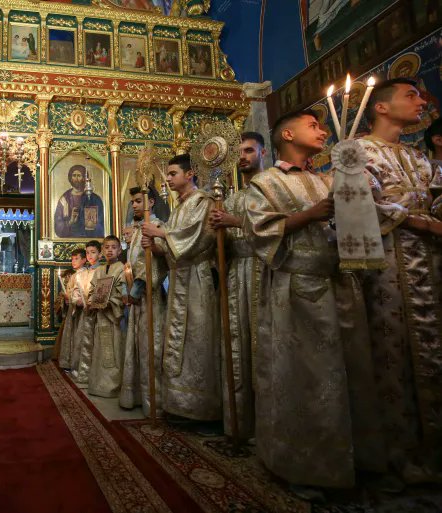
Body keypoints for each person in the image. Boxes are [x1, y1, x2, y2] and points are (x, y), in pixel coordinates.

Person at [245, 109, 360, 498]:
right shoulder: (266, 181)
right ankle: (300, 462)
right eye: (314, 125)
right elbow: (258, 230)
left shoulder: (327, 177)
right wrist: (308, 215)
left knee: (343, 375)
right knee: (302, 377)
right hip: (293, 290)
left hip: (338, 283)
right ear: (288, 134)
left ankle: (349, 459)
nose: (323, 130)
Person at [358, 78, 442, 483]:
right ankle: (400, 451)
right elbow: (361, 206)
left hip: (433, 260)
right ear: (381, 107)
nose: (421, 100)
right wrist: (421, 220)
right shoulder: (357, 151)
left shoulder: (420, 157)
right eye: (411, 95)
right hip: (389, 265)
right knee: (394, 352)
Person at [142, 154, 220, 430]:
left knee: (198, 340)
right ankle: (178, 405)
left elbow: (200, 238)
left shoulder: (204, 202)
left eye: (173, 173)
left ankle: (202, 408)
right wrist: (155, 244)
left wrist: (162, 234)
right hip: (178, 280)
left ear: (190, 174)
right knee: (178, 343)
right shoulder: (178, 208)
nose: (168, 179)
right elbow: (172, 247)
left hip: (198, 280)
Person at [207, 132, 266, 439]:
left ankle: (267, 425)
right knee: (237, 345)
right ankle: (241, 421)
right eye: (239, 152)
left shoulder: (272, 188)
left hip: (264, 271)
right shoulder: (231, 198)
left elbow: (278, 226)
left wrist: (234, 223)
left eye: (249, 150)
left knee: (262, 344)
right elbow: (222, 245)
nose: (243, 156)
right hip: (234, 274)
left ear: (263, 152)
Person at [119, 188, 166, 417]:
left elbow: (159, 260)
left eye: (139, 201)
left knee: (151, 346)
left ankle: (154, 401)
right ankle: (137, 396)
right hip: (136, 297)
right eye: (133, 202)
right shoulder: (137, 229)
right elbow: (132, 263)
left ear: (151, 202)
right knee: (136, 345)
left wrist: (139, 287)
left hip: (151, 295)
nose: (134, 205)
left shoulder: (157, 226)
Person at [87, 236, 126, 398]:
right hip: (101, 316)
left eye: (114, 247)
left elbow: (123, 292)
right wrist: (92, 300)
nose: (110, 250)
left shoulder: (122, 268)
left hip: (114, 317)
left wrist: (111, 302)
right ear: (102, 251)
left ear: (119, 250)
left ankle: (114, 386)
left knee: (115, 350)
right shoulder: (99, 271)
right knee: (100, 351)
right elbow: (92, 290)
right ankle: (98, 384)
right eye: (107, 247)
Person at [71, 240, 102, 382]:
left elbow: (102, 291)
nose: (89, 255)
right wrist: (76, 299)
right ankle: (83, 370)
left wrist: (91, 302)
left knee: (95, 343)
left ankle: (94, 373)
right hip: (85, 313)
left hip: (97, 314)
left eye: (93, 252)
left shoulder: (101, 270)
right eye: (88, 252)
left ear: (100, 254)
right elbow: (77, 289)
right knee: (83, 341)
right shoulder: (84, 272)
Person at [54, 164, 105, 238]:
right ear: (70, 178)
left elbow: (101, 224)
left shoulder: (94, 199)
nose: (76, 178)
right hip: (69, 238)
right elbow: (58, 225)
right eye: (74, 175)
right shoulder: (64, 199)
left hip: (89, 239)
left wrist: (90, 223)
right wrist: (70, 222)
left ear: (84, 178)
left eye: (79, 175)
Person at [57, 248, 88, 369]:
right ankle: (69, 361)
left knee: (77, 335)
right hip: (72, 309)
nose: (73, 262)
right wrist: (66, 298)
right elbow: (70, 293)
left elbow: (81, 294)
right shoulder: (74, 275)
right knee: (71, 334)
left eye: (76, 259)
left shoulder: (84, 274)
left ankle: (76, 363)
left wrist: (70, 298)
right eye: (72, 259)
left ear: (84, 260)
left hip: (80, 311)